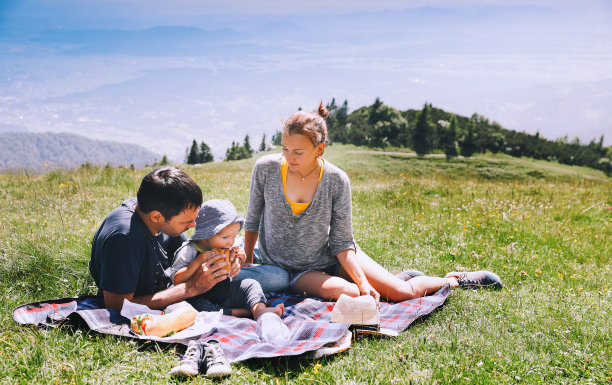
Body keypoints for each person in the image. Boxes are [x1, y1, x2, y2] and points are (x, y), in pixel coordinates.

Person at [241, 103, 502, 304]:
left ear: (319, 149)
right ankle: (390, 281)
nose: (289, 157)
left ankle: (455, 280)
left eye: (298, 152)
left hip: (336, 256)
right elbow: (252, 220)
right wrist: (248, 262)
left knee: (403, 295)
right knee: (357, 295)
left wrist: (362, 279)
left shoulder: (336, 180)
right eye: (285, 149)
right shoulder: (266, 169)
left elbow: (342, 242)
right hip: (296, 272)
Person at [89, 166, 234, 312]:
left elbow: (189, 252)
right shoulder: (124, 240)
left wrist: (226, 260)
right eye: (186, 222)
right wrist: (191, 288)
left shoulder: (154, 208)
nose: (193, 225)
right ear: (156, 217)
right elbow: (117, 306)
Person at [167, 199, 284, 319]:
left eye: (234, 236)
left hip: (226, 291)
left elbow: (234, 268)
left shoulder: (225, 246)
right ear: (205, 236)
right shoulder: (188, 250)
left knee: (251, 284)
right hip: (200, 297)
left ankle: (259, 309)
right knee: (201, 308)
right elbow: (176, 280)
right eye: (225, 237)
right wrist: (197, 262)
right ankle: (245, 313)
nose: (231, 242)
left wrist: (241, 259)